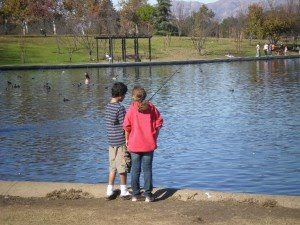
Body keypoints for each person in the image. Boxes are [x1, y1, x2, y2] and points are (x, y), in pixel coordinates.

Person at [123, 86, 163, 202]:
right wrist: (155, 136)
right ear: (144, 96)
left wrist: (127, 140)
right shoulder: (151, 107)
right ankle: (148, 195)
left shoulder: (131, 109)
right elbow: (159, 122)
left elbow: (126, 127)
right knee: (147, 170)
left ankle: (135, 194)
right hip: (148, 144)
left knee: (135, 169)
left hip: (134, 144)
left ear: (133, 97)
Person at [105, 82, 131, 199]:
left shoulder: (107, 106)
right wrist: (127, 140)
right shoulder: (120, 108)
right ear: (120, 95)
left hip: (111, 142)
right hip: (120, 141)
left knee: (112, 167)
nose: (125, 97)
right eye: (124, 95)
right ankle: (124, 190)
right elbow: (125, 126)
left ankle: (109, 190)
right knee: (122, 166)